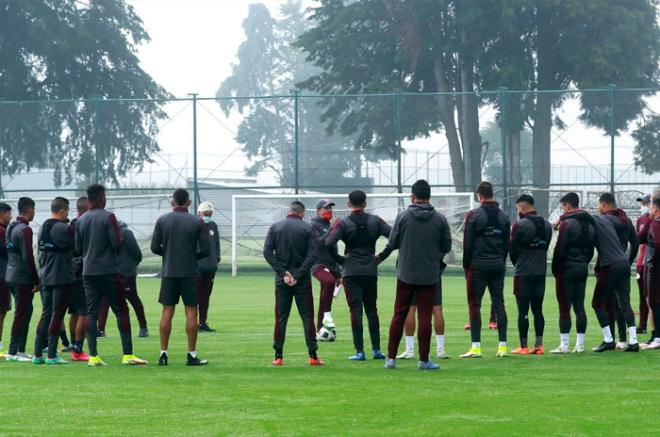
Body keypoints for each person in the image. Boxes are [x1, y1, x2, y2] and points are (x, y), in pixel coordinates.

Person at [377, 179, 452, 370]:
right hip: (429, 274)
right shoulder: (440, 219)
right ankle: (424, 360)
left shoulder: (402, 217)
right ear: (429, 197)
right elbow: (446, 246)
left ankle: (391, 358)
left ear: (413, 196)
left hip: (405, 273)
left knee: (399, 314)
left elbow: (392, 243)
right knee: (425, 316)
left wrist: (379, 257)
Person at [75, 184, 147, 366]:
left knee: (92, 312)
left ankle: (93, 356)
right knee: (121, 310)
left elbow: (77, 248)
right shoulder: (108, 217)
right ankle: (128, 355)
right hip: (108, 270)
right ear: (101, 198)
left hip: (88, 271)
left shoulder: (81, 220)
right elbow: (116, 243)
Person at [325, 190, 391, 361]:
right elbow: (394, 236)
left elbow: (329, 243)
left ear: (349, 204)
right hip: (370, 269)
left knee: (355, 310)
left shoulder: (343, 222)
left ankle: (360, 351)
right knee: (371, 309)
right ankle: (376, 350)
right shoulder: (375, 221)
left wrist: (340, 259)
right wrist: (382, 256)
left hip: (351, 270)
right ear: (365, 203)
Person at [151, 189, 210, 366]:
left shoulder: (162, 220)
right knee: (191, 311)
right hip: (189, 272)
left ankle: (163, 354)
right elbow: (206, 250)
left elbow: (155, 247)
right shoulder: (196, 222)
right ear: (189, 203)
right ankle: (191, 355)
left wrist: (168, 254)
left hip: (169, 272)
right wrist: (192, 257)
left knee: (167, 311)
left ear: (172, 202)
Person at [263, 200, 322, 366]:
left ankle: (278, 356)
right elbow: (313, 254)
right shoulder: (308, 228)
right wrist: (298, 274)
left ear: (288, 211)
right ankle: (313, 356)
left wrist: (283, 273)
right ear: (302, 213)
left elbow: (267, 253)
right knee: (307, 317)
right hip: (302, 280)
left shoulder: (275, 227)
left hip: (282, 281)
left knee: (281, 317)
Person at [460, 181, 510, 358]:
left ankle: (476, 347)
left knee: (475, 304)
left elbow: (468, 244)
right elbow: (506, 245)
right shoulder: (504, 216)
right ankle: (502, 347)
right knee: (499, 303)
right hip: (497, 264)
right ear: (492, 195)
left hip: (478, 266)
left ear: (479, 196)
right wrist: (501, 261)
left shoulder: (473, 215)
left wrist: (467, 265)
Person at [590, 193, 639, 352]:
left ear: (604, 205)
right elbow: (636, 243)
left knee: (603, 302)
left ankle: (609, 339)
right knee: (623, 303)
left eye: (599, 205)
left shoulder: (604, 220)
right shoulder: (626, 220)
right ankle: (629, 340)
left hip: (608, 263)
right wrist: (629, 260)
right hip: (623, 262)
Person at [550, 192, 596, 354]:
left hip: (566, 268)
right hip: (582, 267)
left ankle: (564, 345)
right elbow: (591, 249)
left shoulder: (567, 224)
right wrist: (583, 262)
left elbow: (560, 248)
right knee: (579, 306)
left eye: (563, 207)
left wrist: (555, 268)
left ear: (568, 206)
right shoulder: (590, 225)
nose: (562, 211)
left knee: (564, 306)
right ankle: (580, 345)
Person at [32, 197, 74, 365]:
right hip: (62, 277)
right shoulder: (64, 228)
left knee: (46, 314)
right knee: (57, 315)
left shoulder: (42, 227)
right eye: (68, 211)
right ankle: (51, 354)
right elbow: (77, 248)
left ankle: (37, 354)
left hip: (45, 276)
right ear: (63, 211)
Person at [509, 194, 552, 355]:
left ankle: (524, 346)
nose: (517, 211)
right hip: (540, 272)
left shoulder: (520, 225)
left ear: (523, 206)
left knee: (523, 311)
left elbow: (512, 249)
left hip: (523, 273)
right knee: (538, 310)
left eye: (517, 208)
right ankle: (539, 345)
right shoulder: (547, 225)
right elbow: (546, 246)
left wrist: (518, 264)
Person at [97, 221, 148, 338]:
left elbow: (136, 253)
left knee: (132, 298)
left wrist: (130, 265)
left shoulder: (125, 233)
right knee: (105, 300)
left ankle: (143, 327)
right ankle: (100, 329)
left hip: (125, 273)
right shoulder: (109, 233)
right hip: (111, 272)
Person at [5, 197, 39, 362]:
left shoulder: (11, 227)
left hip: (10, 274)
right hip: (22, 277)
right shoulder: (25, 230)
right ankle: (13, 351)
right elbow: (28, 257)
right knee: (21, 312)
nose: (34, 213)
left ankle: (20, 349)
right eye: (34, 210)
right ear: (29, 210)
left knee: (26, 310)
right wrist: (36, 280)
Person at [310, 199, 342, 338]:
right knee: (328, 282)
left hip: (331, 263)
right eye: (326, 208)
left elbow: (332, 247)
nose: (329, 210)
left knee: (329, 290)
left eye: (330, 208)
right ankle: (327, 317)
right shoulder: (312, 225)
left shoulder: (329, 224)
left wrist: (338, 268)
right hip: (317, 263)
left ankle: (319, 330)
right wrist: (332, 229)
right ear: (318, 210)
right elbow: (319, 244)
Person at [67, 196, 90, 360]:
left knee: (74, 312)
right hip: (82, 271)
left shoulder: (70, 226)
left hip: (70, 271)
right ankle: (78, 349)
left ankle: (73, 346)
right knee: (84, 312)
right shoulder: (85, 225)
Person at [196, 201, 220, 333]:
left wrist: (216, 259)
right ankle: (192, 322)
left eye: (210, 214)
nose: (208, 216)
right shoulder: (194, 225)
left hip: (210, 267)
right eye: (206, 214)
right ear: (199, 213)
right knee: (195, 296)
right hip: (197, 267)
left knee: (206, 296)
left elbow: (216, 244)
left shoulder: (213, 226)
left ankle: (202, 322)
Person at [641, 195, 660, 349]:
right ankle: (656, 336)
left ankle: (657, 337)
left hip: (655, 268)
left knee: (653, 301)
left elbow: (658, 243)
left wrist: (653, 260)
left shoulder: (655, 223)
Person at [635, 194, 652, 334]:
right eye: (642, 203)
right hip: (641, 263)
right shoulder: (640, 219)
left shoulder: (656, 220)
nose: (643, 206)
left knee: (652, 296)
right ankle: (642, 325)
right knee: (642, 295)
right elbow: (638, 240)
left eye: (646, 203)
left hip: (653, 262)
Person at [0, 202, 12, 358]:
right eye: (9, 213)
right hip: (1, 276)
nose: (10, 216)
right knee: (1, 312)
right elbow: (8, 252)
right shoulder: (2, 232)